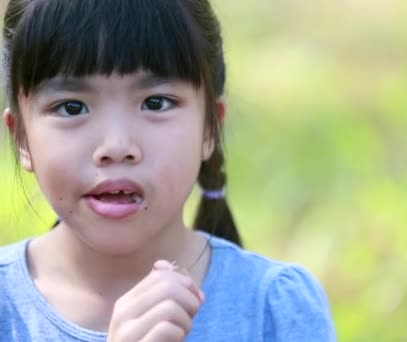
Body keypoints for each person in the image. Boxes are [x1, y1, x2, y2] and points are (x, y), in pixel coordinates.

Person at [0, 0, 336, 341]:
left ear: (209, 129)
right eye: (72, 107)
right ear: (21, 138)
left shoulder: (273, 309)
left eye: (155, 102)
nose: (116, 146)